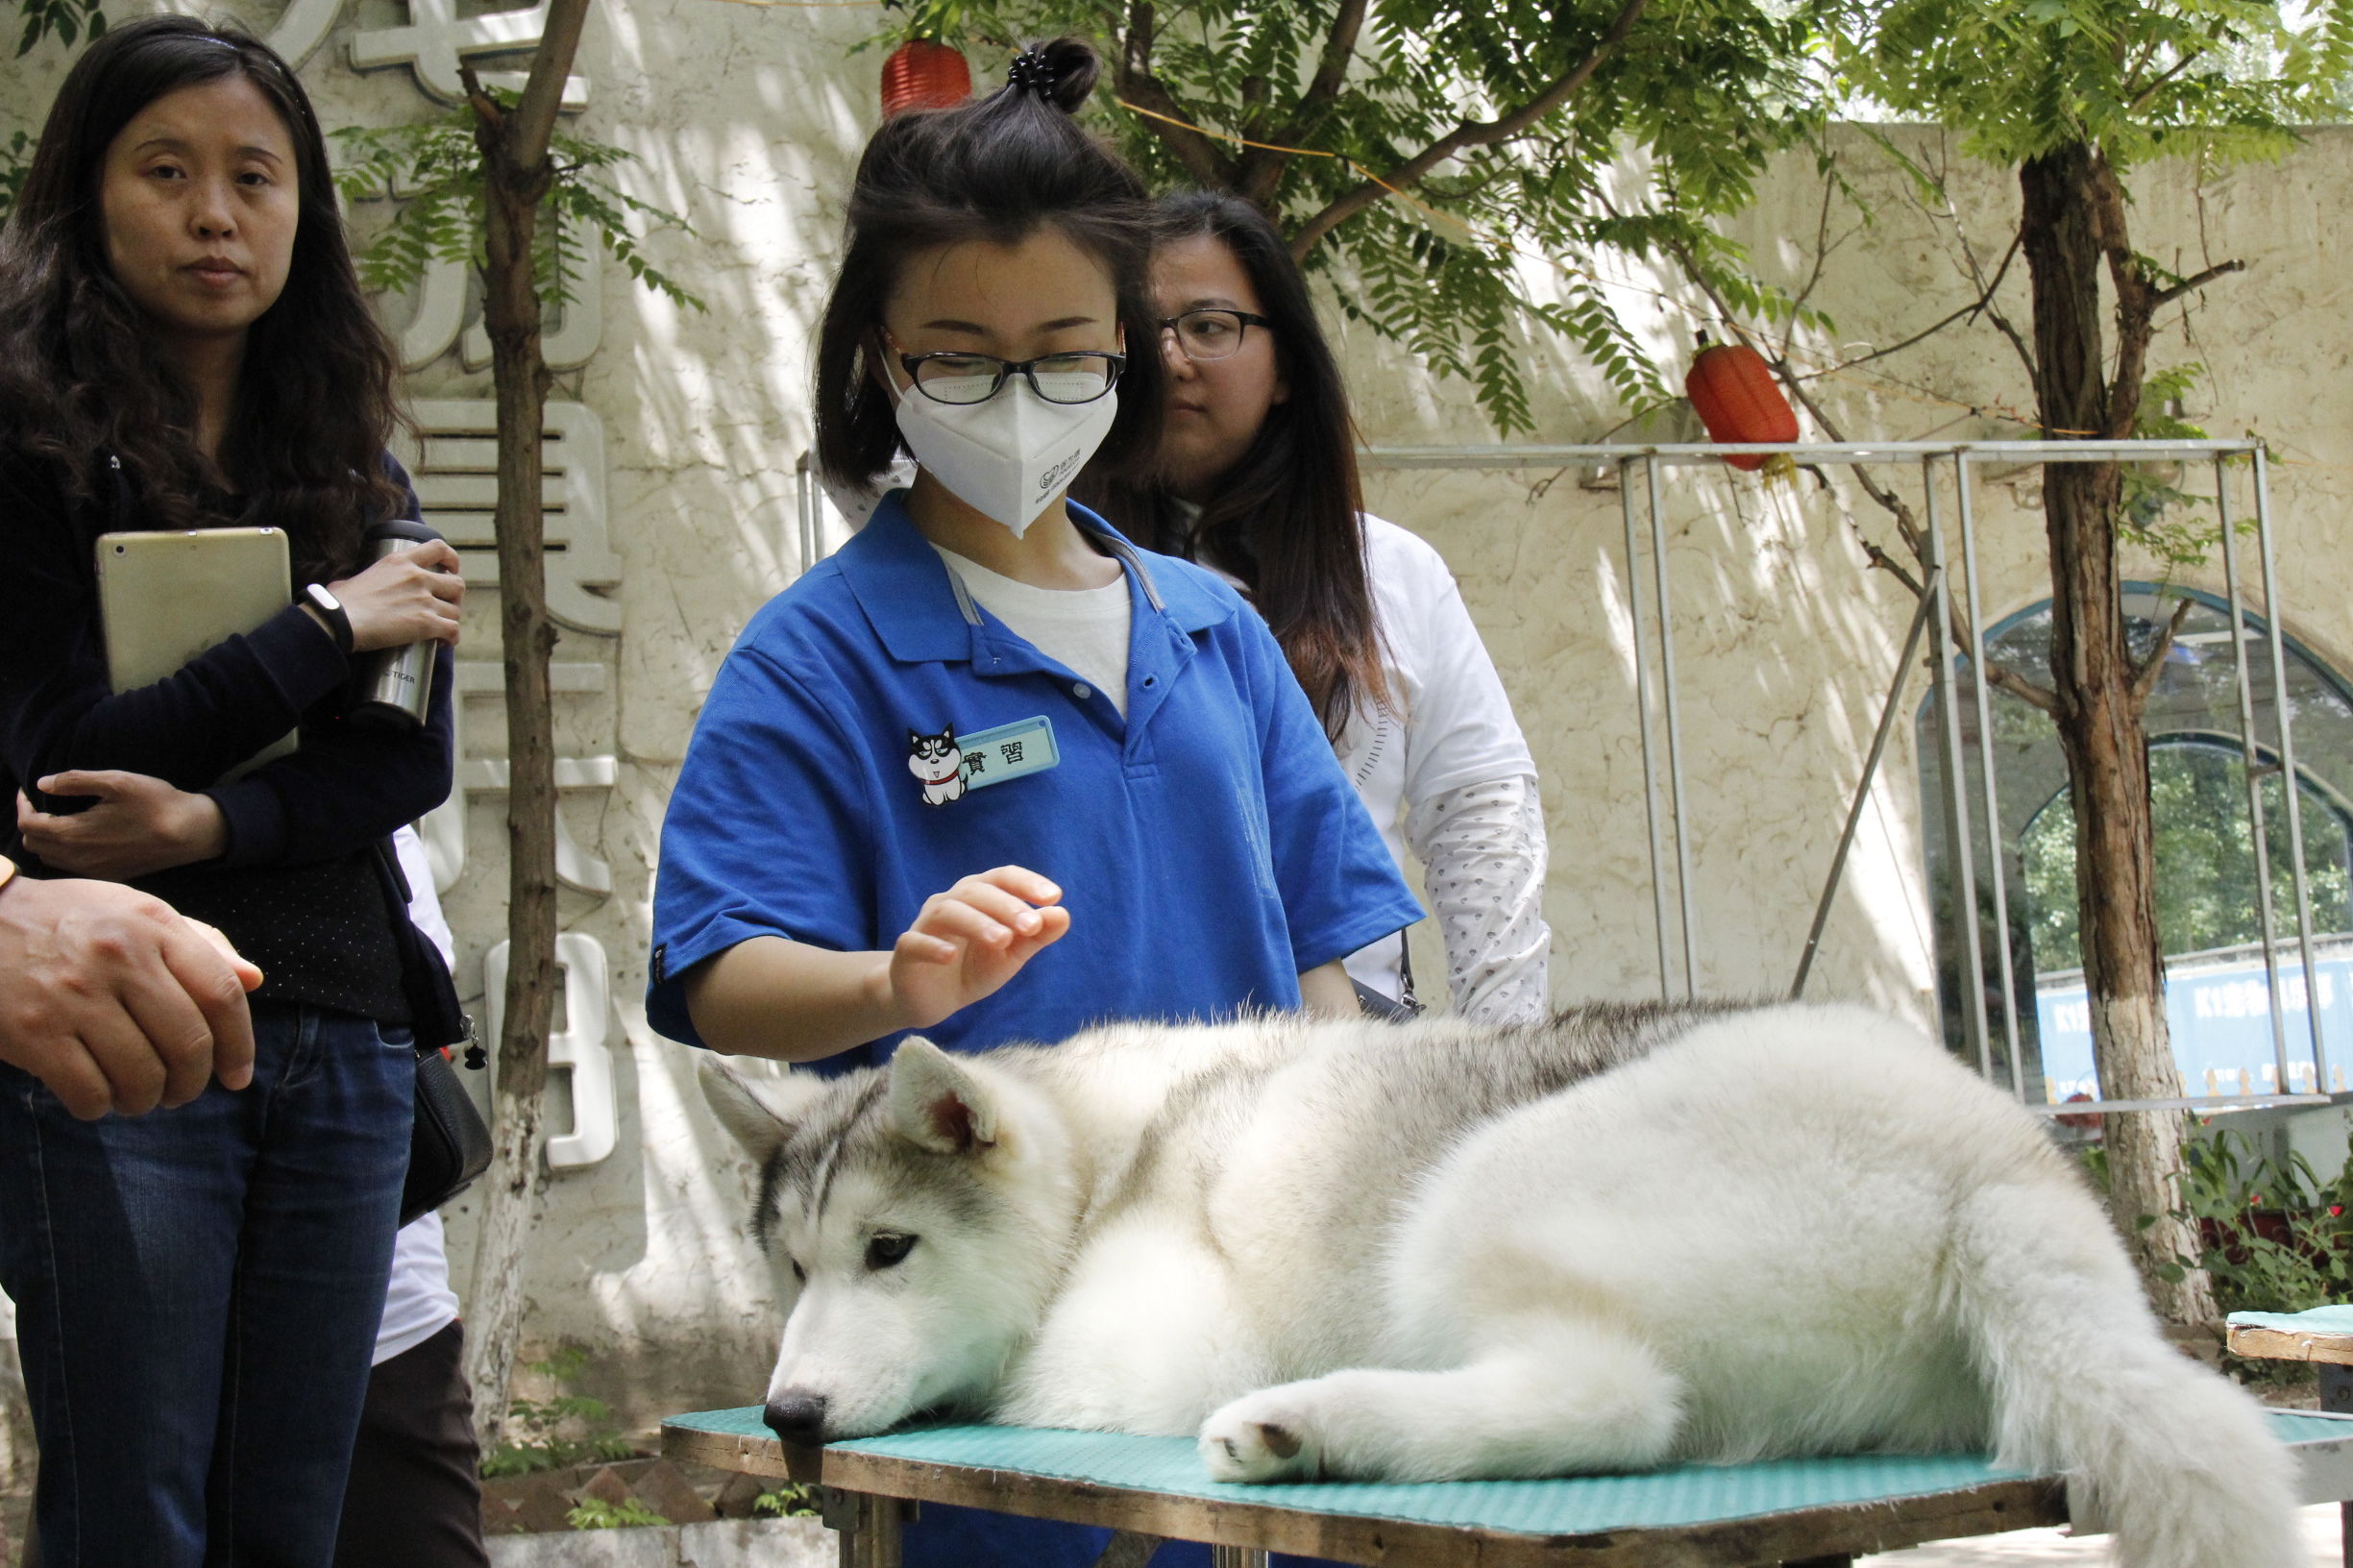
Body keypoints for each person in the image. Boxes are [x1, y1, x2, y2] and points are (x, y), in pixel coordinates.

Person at [649, 38, 1422, 1568]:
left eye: (1062, 349)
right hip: (990, 1392)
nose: (1015, 395)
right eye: (957, 356)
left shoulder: (1213, 630)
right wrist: (891, 983)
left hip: (1250, 1324)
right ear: (875, 355)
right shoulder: (815, 658)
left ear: (1125, 348)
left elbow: (1336, 966)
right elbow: (721, 971)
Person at [0, 17, 462, 1566]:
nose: (217, 213)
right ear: (87, 196)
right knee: (136, 1514)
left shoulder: (361, 467)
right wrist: (324, 629)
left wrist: (207, 821)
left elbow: (402, 760)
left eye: (255, 177)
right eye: (170, 171)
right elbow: (69, 757)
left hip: (340, 1034)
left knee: (293, 1525)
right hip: (123, 1039)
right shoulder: (26, 450)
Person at [1085, 192, 1552, 1023]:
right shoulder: (1041, 566)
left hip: (1347, 1052)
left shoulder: (1390, 570)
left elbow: (1478, 810)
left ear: (1287, 367)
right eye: (1136, 331)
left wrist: (1506, 1058)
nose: (1170, 360)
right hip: (1119, 1052)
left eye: (1209, 325)